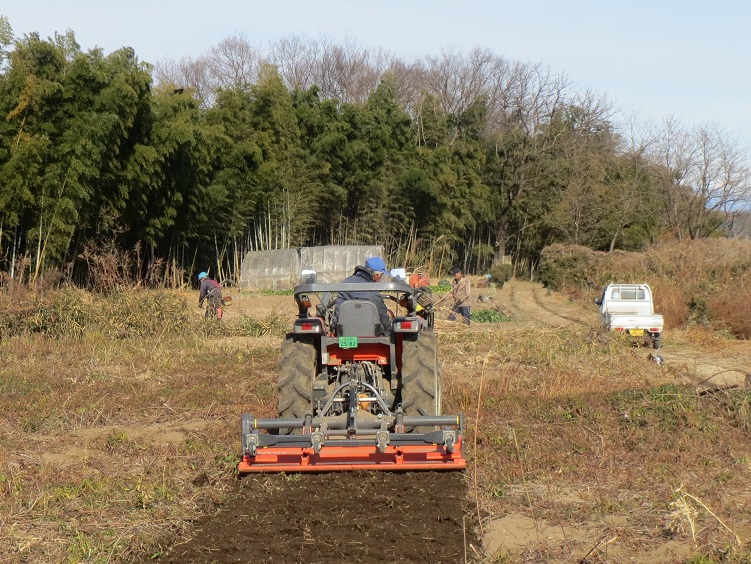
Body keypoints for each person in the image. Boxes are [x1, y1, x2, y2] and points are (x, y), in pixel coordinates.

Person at [335, 256, 392, 335]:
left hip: (345, 333)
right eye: (381, 276)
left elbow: (338, 310)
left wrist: (336, 330)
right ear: (376, 275)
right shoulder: (372, 291)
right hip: (370, 335)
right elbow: (382, 315)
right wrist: (388, 331)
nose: (380, 279)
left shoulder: (345, 283)